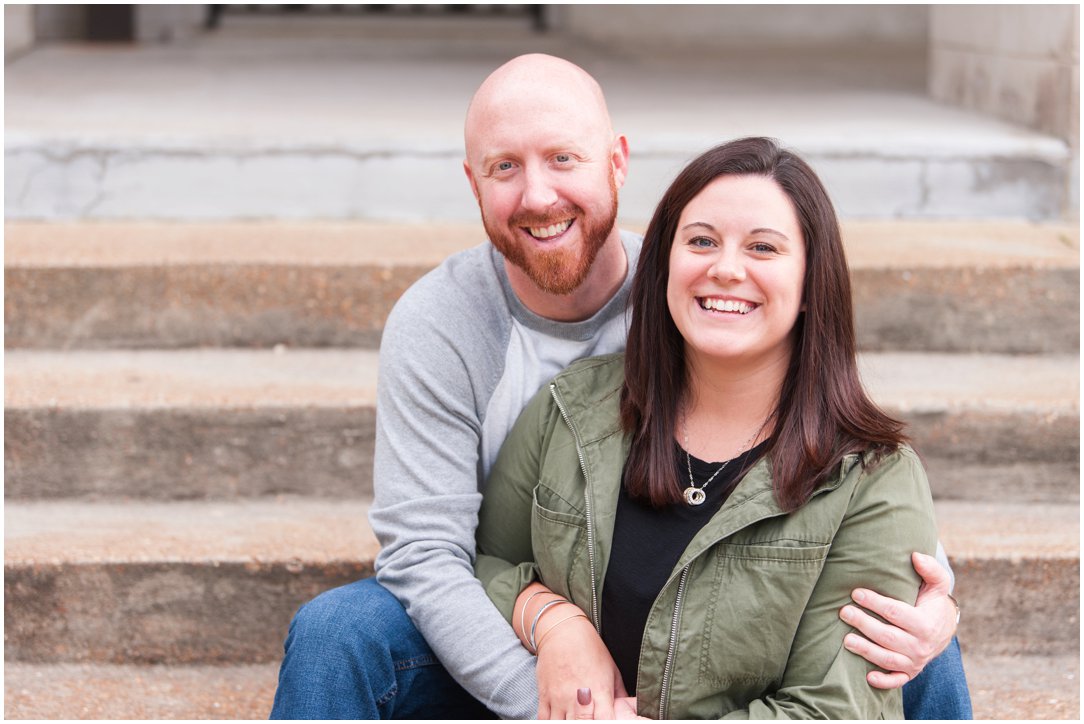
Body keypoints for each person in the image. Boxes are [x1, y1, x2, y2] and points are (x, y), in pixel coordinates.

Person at [271, 54, 970, 720]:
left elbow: (854, 474)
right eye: (505, 167)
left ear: (618, 162)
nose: (538, 194)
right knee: (341, 631)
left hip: (725, 636)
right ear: (473, 182)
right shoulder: (449, 326)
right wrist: (554, 655)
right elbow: (428, 556)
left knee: (907, 645)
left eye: (564, 159)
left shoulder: (695, 292)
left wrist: (937, 599)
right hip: (529, 636)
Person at [476, 137, 940, 719]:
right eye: (701, 241)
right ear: (665, 263)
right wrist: (554, 622)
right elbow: (485, 563)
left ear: (809, 285)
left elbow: (833, 711)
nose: (725, 268)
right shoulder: (572, 409)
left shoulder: (872, 481)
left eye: (764, 248)